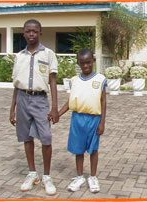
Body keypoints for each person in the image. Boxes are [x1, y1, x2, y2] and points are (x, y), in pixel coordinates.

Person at [9, 19, 59, 196]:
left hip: (40, 101)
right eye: (28, 31)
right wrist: (12, 108)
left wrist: (54, 107)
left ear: (40, 32)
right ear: (23, 33)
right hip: (22, 98)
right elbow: (16, 84)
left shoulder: (48, 54)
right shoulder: (19, 56)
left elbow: (52, 81)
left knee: (46, 138)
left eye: (35, 31)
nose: (31, 34)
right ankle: (32, 173)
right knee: (26, 137)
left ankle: (46, 176)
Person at [59, 49, 107, 193]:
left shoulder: (100, 79)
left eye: (88, 62)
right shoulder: (74, 81)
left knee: (94, 150)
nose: (85, 65)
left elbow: (103, 102)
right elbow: (70, 102)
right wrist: (58, 114)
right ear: (78, 63)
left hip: (94, 119)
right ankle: (79, 176)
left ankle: (92, 177)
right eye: (82, 63)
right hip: (77, 119)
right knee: (78, 150)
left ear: (93, 61)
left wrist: (102, 122)